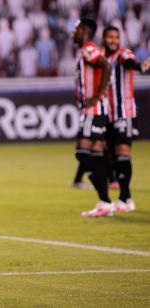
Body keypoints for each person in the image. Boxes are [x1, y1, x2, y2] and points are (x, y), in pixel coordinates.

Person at [101, 25, 150, 213]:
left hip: (124, 112)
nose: (114, 40)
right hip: (109, 114)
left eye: (116, 37)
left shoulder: (123, 54)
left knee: (123, 152)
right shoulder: (104, 60)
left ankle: (124, 197)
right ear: (104, 39)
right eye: (110, 37)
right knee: (111, 155)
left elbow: (131, 63)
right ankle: (126, 197)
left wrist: (141, 66)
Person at [71, 18, 113, 218]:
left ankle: (105, 198)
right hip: (94, 110)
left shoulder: (89, 49)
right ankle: (105, 202)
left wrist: (97, 95)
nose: (74, 32)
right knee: (96, 153)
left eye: (77, 29)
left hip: (93, 110)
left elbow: (106, 65)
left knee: (82, 152)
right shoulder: (85, 50)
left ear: (85, 31)